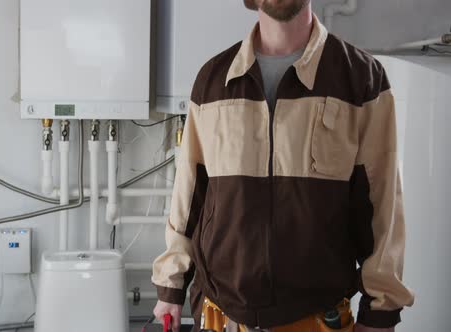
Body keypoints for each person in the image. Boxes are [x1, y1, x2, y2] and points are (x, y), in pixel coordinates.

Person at [151, 0, 415, 331]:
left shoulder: (361, 78)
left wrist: (381, 311)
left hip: (318, 317)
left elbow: (383, 205)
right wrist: (171, 286)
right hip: (222, 315)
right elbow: (189, 194)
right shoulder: (213, 80)